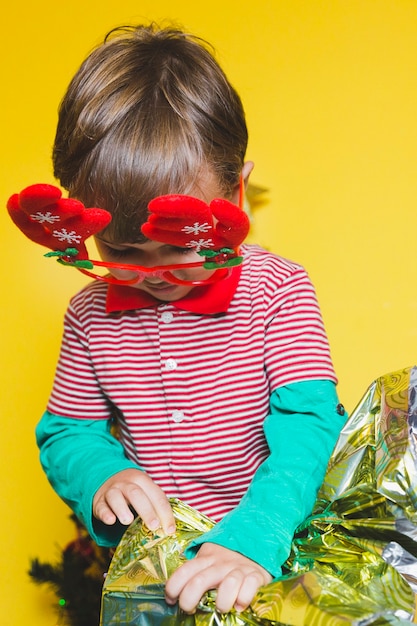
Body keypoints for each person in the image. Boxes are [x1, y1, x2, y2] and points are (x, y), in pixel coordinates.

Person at [10, 23, 347, 615]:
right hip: (154, 577)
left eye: (176, 247)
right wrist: (101, 478)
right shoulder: (89, 315)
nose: (152, 273)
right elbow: (68, 432)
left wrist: (252, 540)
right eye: (121, 253)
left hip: (272, 558)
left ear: (236, 192)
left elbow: (307, 430)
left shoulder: (278, 289)